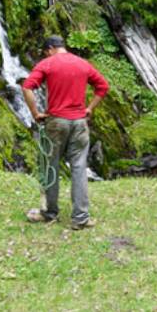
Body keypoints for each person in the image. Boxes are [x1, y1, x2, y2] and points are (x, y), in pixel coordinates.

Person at [22, 35, 109, 230]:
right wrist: (90, 108)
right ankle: (80, 217)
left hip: (56, 122)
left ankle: (50, 212)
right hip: (79, 123)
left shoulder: (48, 63)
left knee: (50, 166)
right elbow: (103, 87)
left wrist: (36, 113)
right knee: (78, 168)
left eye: (46, 52)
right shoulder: (82, 64)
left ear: (50, 49)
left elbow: (27, 87)